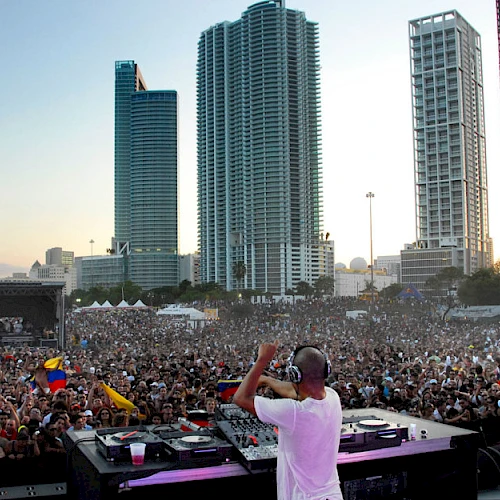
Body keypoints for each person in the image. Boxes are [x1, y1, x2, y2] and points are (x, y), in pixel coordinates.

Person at [234, 340, 343, 500]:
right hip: (332, 494)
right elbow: (296, 391)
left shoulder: (294, 413)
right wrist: (268, 380)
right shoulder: (333, 396)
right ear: (326, 370)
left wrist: (261, 361)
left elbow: (241, 398)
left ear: (294, 374)